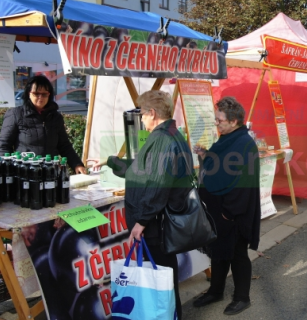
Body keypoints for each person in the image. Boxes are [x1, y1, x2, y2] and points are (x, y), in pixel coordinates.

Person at [98, 90, 192, 319]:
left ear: (152, 113)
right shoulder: (172, 133)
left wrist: (141, 222)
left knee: (161, 281)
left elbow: (157, 185)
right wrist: (112, 162)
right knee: (165, 280)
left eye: (141, 113)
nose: (140, 119)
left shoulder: (162, 138)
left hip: (156, 226)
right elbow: (142, 171)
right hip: (163, 223)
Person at [191, 97, 260, 316]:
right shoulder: (227, 139)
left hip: (233, 212)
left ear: (233, 121)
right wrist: (205, 156)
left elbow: (243, 183)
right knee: (218, 252)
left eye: (219, 119)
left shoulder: (244, 143)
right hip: (219, 211)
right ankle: (216, 291)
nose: (216, 123)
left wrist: (229, 212)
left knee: (237, 254)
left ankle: (242, 298)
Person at [0, 75, 86, 173]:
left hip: (51, 172)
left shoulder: (55, 117)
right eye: (36, 93)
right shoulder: (15, 114)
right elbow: (4, 147)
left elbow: (64, 145)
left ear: (49, 95)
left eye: (44, 94)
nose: (41, 97)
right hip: (25, 173)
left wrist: (77, 164)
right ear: (28, 93)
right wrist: (8, 171)